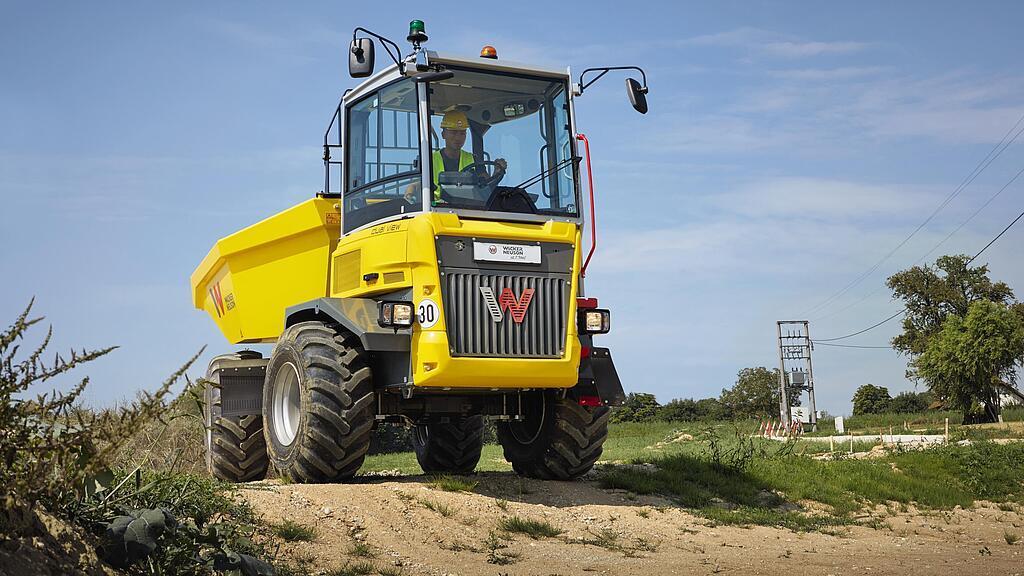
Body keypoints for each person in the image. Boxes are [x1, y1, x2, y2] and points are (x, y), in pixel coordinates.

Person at [405, 110, 506, 203]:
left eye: (462, 133)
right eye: (453, 132)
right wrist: (409, 196)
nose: (458, 137)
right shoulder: (428, 160)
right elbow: (415, 185)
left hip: (468, 211)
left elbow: (486, 188)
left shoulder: (473, 159)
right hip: (437, 211)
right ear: (443, 134)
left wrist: (496, 173)